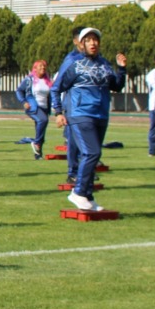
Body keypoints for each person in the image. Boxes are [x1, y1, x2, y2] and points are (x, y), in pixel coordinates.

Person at [53, 27, 126, 211]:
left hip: (101, 114)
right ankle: (77, 192)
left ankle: (88, 195)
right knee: (91, 153)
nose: (93, 43)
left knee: (95, 154)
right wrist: (58, 112)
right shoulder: (74, 64)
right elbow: (56, 88)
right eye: (88, 40)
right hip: (79, 114)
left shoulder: (104, 64)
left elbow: (116, 86)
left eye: (95, 40)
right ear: (81, 43)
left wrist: (122, 69)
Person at [51, 34, 88, 189]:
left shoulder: (94, 59)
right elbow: (57, 85)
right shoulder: (71, 60)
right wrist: (58, 110)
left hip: (90, 108)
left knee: (88, 142)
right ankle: (73, 172)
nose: (88, 43)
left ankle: (84, 172)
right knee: (74, 141)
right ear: (76, 41)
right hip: (73, 106)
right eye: (84, 39)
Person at [15, 60, 53, 159]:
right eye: (40, 66)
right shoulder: (29, 79)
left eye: (44, 66)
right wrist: (24, 102)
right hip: (33, 107)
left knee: (41, 130)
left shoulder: (47, 79)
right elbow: (19, 90)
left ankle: (38, 154)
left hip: (44, 107)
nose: (43, 68)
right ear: (35, 68)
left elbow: (50, 94)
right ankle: (36, 143)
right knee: (43, 120)